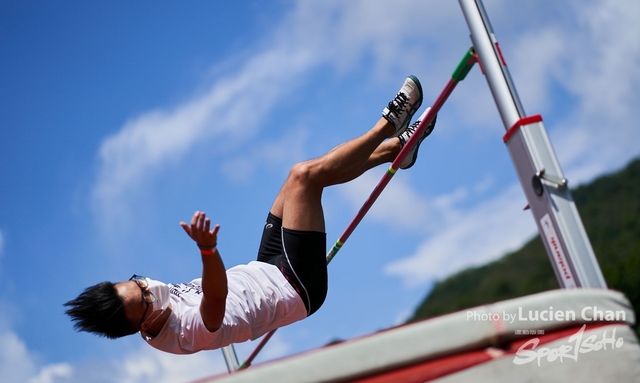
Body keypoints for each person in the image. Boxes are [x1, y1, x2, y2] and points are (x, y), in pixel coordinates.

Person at [64, 76, 436, 354]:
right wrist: (208, 251)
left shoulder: (149, 305)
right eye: (143, 296)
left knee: (297, 176)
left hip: (266, 267)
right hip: (296, 287)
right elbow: (215, 298)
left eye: (137, 281)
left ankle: (397, 151)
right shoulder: (182, 333)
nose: (148, 286)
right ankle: (390, 123)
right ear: (142, 323)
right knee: (305, 177)